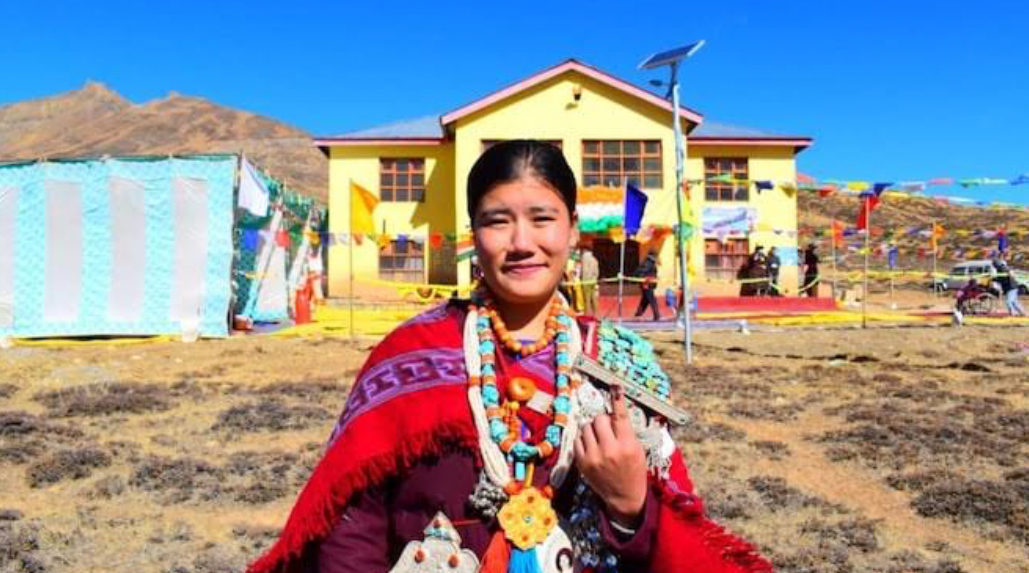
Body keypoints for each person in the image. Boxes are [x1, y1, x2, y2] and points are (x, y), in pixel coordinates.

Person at [247, 140, 770, 573]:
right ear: (474, 234)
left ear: (571, 229)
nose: (522, 242)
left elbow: (677, 536)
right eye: (498, 221)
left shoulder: (621, 366)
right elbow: (351, 524)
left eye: (542, 218)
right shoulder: (408, 353)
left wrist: (632, 504)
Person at [633, 251, 661, 321]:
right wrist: (646, 279)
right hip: (647, 285)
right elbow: (641, 272)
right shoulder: (648, 263)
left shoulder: (650, 263)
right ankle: (657, 315)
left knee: (645, 300)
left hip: (649, 284)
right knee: (652, 300)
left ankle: (638, 314)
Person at [579, 246, 600, 316]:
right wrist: (595, 278)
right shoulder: (594, 259)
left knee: (586, 299)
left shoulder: (584, 258)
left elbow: (584, 270)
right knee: (593, 298)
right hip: (593, 281)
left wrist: (582, 279)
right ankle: (596, 314)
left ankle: (587, 315)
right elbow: (597, 272)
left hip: (586, 280)